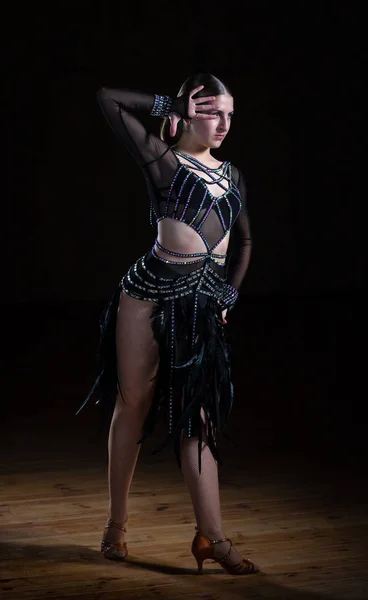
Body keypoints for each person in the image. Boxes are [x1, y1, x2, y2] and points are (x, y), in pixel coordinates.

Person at [76, 73, 257, 575]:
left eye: (229, 114)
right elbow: (107, 98)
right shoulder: (164, 162)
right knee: (133, 403)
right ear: (188, 110)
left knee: (198, 419)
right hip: (148, 294)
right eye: (211, 112)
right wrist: (169, 102)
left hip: (200, 305)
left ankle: (212, 537)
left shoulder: (233, 175)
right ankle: (116, 525)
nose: (223, 124)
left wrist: (229, 292)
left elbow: (243, 244)